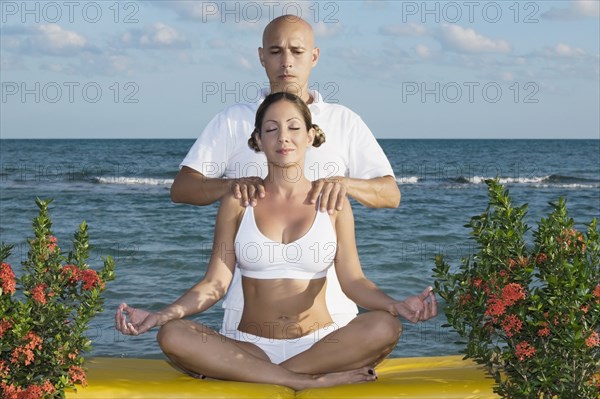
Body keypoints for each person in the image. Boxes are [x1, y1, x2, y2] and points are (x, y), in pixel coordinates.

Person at [115, 92, 437, 390]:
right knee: (173, 333)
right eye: (271, 129)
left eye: (294, 127)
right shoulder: (238, 201)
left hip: (323, 345)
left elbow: (354, 281)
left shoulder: (334, 202)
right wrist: (163, 314)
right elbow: (214, 283)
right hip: (249, 345)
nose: (283, 136)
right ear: (257, 140)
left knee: (385, 326)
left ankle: (267, 376)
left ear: (310, 136)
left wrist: (394, 304)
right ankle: (305, 381)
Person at [170, 15, 401, 339]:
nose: (287, 62)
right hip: (247, 322)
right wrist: (232, 184)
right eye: (276, 51)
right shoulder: (233, 120)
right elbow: (182, 188)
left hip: (334, 323)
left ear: (315, 56)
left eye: (297, 51)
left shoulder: (344, 120)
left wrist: (343, 183)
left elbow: (390, 194)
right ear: (262, 56)